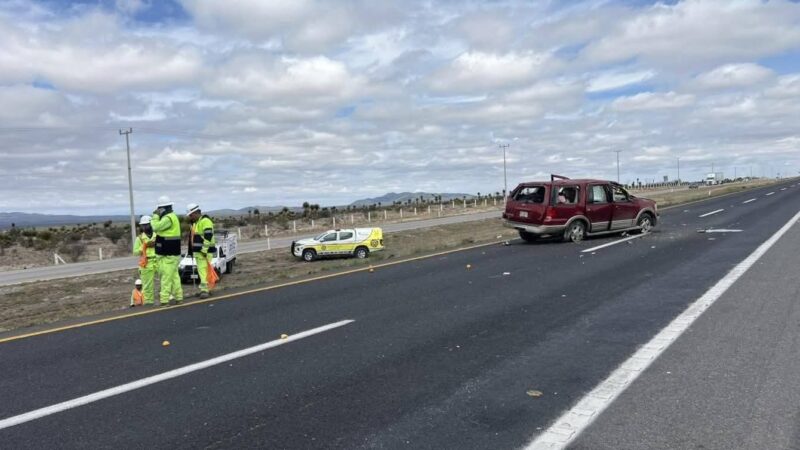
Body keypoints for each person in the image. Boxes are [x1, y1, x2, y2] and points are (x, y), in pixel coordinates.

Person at [150, 197, 183, 306]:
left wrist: (154, 216)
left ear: (163, 208)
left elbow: (155, 227)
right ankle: (179, 298)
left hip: (169, 253)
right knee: (174, 277)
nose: (158, 211)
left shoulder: (168, 218)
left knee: (166, 277)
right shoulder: (172, 217)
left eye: (159, 209)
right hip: (171, 253)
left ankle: (164, 300)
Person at [186, 203, 217, 299]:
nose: (190, 217)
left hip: (204, 252)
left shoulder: (205, 221)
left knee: (204, 271)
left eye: (191, 215)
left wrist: (204, 250)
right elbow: (192, 238)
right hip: (199, 252)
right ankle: (206, 289)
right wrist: (191, 252)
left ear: (196, 213)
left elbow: (208, 235)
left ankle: (205, 290)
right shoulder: (196, 223)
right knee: (203, 271)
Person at [133, 215, 157, 305]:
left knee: (165, 280)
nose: (144, 227)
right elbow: (135, 252)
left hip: (158, 261)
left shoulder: (157, 235)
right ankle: (149, 303)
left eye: (146, 225)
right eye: (143, 225)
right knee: (147, 285)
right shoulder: (139, 238)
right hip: (146, 263)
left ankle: (167, 298)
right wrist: (145, 246)